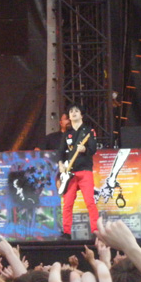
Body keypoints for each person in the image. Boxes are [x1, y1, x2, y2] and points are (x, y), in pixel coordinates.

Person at [57, 103, 98, 240]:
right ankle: (67, 232)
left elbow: (93, 149)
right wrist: (60, 164)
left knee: (90, 202)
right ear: (68, 116)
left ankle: (96, 230)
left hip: (85, 170)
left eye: (76, 111)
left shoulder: (88, 131)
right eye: (71, 111)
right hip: (70, 173)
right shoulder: (67, 134)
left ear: (81, 114)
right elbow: (61, 152)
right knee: (67, 203)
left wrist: (84, 149)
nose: (73, 113)